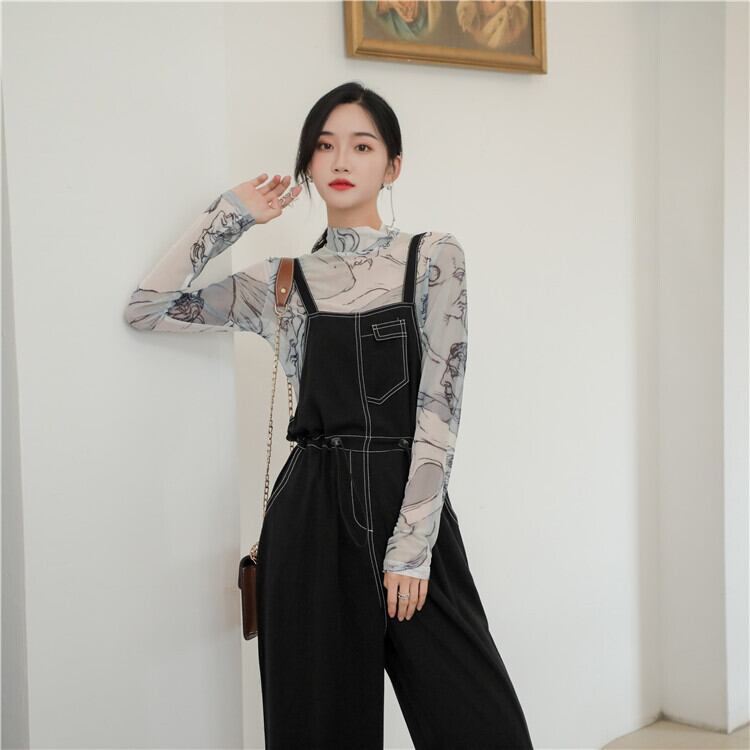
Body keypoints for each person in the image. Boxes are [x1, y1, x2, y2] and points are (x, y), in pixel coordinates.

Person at [125, 80, 533, 750]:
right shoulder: (279, 281)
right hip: (310, 515)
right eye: (324, 145)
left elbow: (440, 406)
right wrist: (232, 215)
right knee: (316, 731)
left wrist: (411, 548)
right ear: (307, 164)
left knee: (482, 727)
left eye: (362, 146)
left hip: (407, 507)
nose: (341, 160)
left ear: (392, 166)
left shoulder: (433, 257)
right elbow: (147, 309)